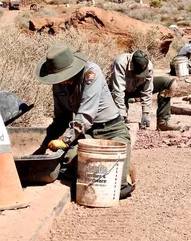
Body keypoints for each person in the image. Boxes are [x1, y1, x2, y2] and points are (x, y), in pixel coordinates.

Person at [33, 43, 134, 199]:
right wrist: (43, 146)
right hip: (87, 135)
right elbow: (61, 119)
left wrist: (65, 140)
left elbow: (85, 116)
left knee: (117, 189)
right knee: (66, 161)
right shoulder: (58, 86)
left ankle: (126, 170)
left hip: (111, 131)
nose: (62, 81)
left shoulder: (91, 73)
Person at [108, 50, 181, 131]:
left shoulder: (149, 66)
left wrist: (145, 113)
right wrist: (121, 113)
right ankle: (119, 119)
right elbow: (118, 90)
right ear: (132, 64)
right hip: (120, 91)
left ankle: (163, 122)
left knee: (167, 84)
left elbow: (147, 90)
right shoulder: (120, 62)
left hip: (136, 88)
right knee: (118, 115)